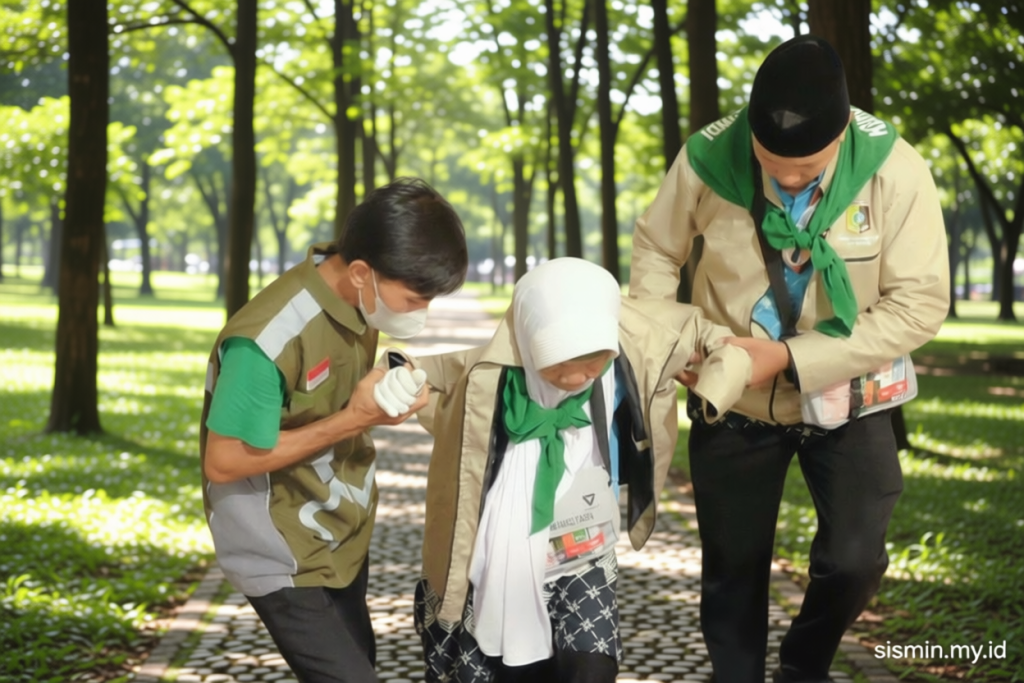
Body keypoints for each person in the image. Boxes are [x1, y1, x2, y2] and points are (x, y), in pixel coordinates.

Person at [628, 35, 950, 683]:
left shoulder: (894, 168)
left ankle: (804, 665)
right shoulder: (706, 158)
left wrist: (788, 356)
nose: (789, 180)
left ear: (841, 133)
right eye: (772, 165)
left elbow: (919, 303)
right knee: (732, 571)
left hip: (851, 394)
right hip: (736, 398)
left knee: (857, 560)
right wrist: (665, 335)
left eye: (806, 169)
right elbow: (659, 247)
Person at [378, 257, 751, 683]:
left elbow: (715, 338)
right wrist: (394, 379)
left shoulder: (633, 354)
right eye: (557, 364)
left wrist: (713, 386)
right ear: (528, 340)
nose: (575, 378)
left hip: (583, 552)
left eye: (592, 363)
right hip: (497, 555)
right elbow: (405, 367)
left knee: (592, 667)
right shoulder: (490, 372)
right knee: (509, 672)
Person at [198, 177, 468, 683]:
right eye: (416, 299)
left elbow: (337, 391)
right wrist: (356, 419)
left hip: (340, 535)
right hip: (280, 550)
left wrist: (392, 378)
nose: (423, 313)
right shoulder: (265, 342)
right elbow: (225, 460)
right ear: (362, 272)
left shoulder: (358, 301)